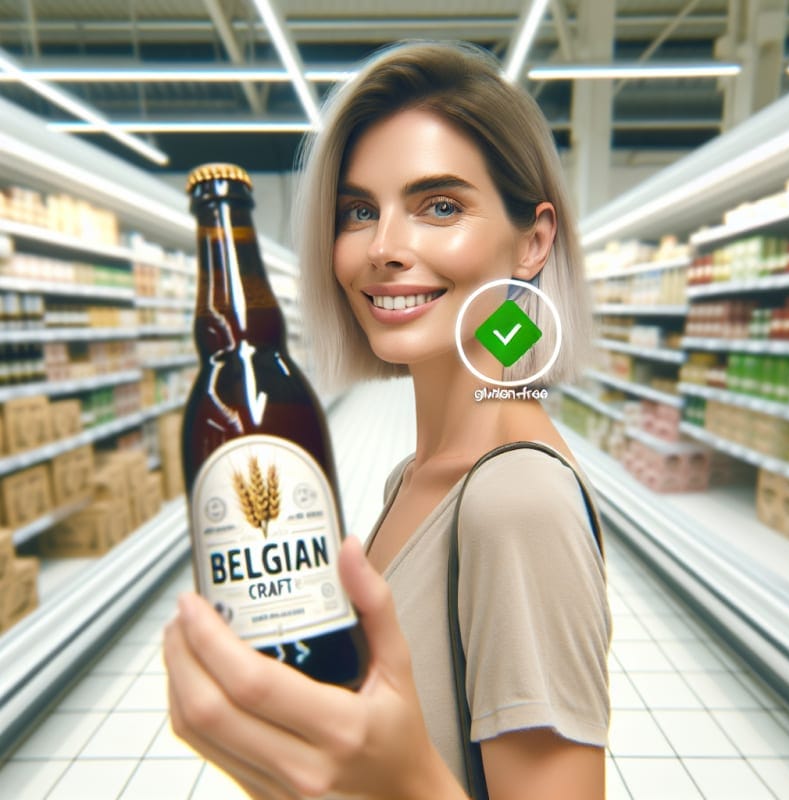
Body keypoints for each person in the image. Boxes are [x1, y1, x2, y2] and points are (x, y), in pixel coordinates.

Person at [164, 41, 611, 799]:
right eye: (359, 211)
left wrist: (398, 785)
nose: (384, 248)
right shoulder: (419, 474)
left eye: (440, 206)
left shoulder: (516, 502)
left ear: (532, 242)